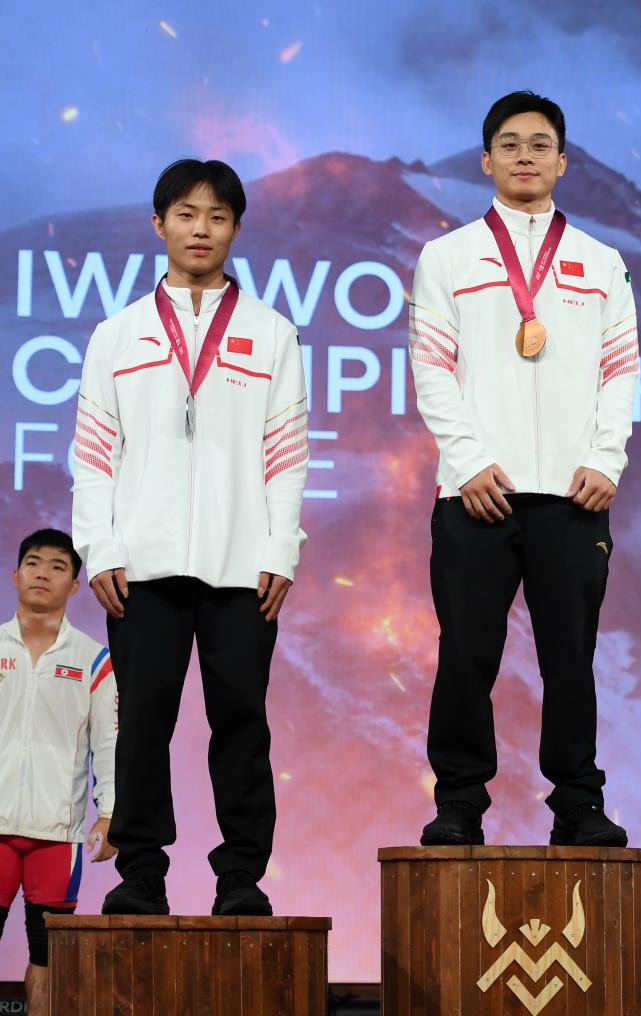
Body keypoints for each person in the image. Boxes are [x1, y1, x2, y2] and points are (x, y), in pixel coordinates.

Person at [72, 159, 308, 916]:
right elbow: (93, 455)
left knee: (241, 719)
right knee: (143, 722)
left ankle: (241, 876)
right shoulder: (117, 335)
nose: (200, 229)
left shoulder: (271, 333)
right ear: (158, 224)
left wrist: (280, 550)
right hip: (139, 564)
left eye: (216, 216)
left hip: (243, 565)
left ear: (236, 228)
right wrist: (101, 549)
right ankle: (141, 871)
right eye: (185, 214)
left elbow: (287, 454)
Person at [409, 91, 639, 847]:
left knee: (571, 659)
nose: (525, 157)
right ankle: (459, 803)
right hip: (476, 494)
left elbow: (621, 371)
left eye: (540, 145)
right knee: (465, 654)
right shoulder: (447, 256)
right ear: (486, 161)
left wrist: (605, 459)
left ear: (563, 162)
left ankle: (577, 804)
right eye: (509, 144)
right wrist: (469, 461)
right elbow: (432, 368)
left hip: (574, 496)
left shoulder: (601, 263)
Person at [0, 529, 117, 1014]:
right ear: (15, 575)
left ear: (74, 585)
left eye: (57, 566)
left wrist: (110, 813)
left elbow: (109, 745)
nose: (42, 573)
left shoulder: (94, 660)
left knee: (48, 960)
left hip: (56, 837)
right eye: (33, 562)